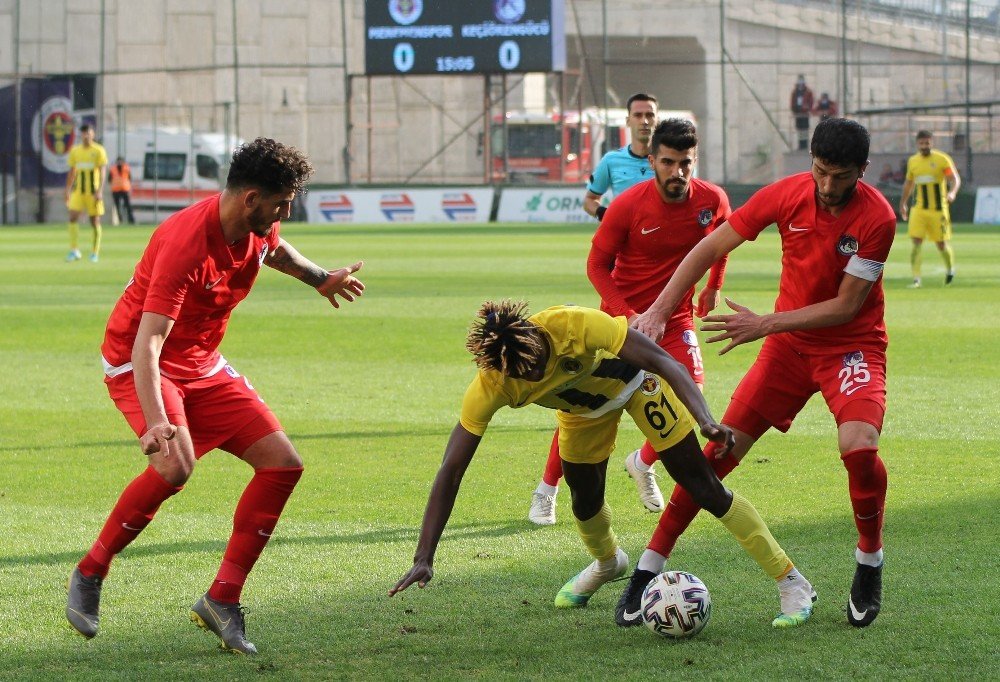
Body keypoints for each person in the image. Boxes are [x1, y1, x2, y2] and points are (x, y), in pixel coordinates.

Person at [65, 138, 365, 654]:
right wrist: (157, 422)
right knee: (175, 466)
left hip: (203, 364)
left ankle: (222, 599)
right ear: (250, 198)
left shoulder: (257, 223)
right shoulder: (186, 243)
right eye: (281, 203)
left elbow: (274, 249)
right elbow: (148, 343)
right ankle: (91, 571)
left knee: (282, 465)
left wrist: (319, 278)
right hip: (141, 362)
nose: (286, 213)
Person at [391, 301, 817, 630]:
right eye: (527, 375)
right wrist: (425, 555)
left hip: (637, 387)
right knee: (584, 503)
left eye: (541, 362)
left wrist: (706, 420)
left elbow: (664, 362)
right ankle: (610, 562)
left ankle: (791, 582)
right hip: (581, 415)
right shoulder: (492, 383)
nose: (537, 375)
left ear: (537, 336)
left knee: (703, 486)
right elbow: (452, 468)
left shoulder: (574, 324)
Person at [632, 118, 895, 628]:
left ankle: (869, 560)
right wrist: (662, 310)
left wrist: (764, 323)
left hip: (850, 348)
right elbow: (709, 247)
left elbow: (845, 307)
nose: (827, 186)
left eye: (840, 176)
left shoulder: (877, 218)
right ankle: (649, 567)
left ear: (862, 171)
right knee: (717, 454)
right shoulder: (787, 195)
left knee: (859, 446)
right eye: (819, 171)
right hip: (787, 352)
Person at [529, 118, 731, 526]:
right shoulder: (628, 205)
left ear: (696, 160)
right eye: (669, 162)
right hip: (618, 324)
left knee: (690, 395)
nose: (678, 173)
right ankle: (546, 490)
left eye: (686, 163)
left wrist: (713, 286)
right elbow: (596, 265)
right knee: (587, 407)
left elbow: (723, 240)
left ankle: (641, 461)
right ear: (653, 160)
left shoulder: (712, 199)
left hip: (675, 320)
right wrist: (627, 313)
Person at [529, 93, 661, 525]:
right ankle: (546, 490)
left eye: (650, 116)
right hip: (620, 290)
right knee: (584, 395)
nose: (645, 122)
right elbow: (590, 201)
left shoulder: (670, 167)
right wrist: (611, 218)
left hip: (663, 296)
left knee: (685, 387)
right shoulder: (611, 162)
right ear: (628, 121)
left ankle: (644, 462)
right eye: (639, 115)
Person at [899, 130, 961, 288]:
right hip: (919, 209)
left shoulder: (942, 159)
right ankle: (916, 279)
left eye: (927, 143)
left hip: (938, 210)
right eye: (921, 143)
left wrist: (952, 192)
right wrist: (903, 203)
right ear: (917, 144)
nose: (924, 146)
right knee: (916, 242)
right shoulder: (913, 161)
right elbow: (909, 184)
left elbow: (954, 179)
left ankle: (950, 270)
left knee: (941, 244)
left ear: (931, 143)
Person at [64, 123, 108, 262]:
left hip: (92, 192)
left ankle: (95, 252)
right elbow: (72, 172)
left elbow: (102, 172)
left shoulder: (98, 150)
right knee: (72, 217)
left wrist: (100, 191)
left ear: (92, 134)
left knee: (94, 221)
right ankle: (74, 250)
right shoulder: (75, 151)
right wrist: (67, 190)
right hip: (78, 192)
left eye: (88, 133)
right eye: (83, 133)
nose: (85, 136)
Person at [790, 75, 814, 151]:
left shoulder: (808, 92)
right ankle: (800, 144)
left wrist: (807, 108)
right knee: (799, 129)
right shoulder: (795, 92)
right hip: (798, 113)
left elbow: (811, 102)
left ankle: (805, 145)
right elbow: (792, 102)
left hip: (805, 114)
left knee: (805, 129)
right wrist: (794, 109)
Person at [109, 156, 136, 224]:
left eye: (121, 161)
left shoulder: (126, 168)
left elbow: (129, 178)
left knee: (128, 206)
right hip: (116, 190)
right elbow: (109, 179)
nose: (119, 163)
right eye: (118, 161)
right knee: (117, 207)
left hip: (125, 189)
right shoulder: (113, 169)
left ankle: (131, 220)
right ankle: (119, 220)